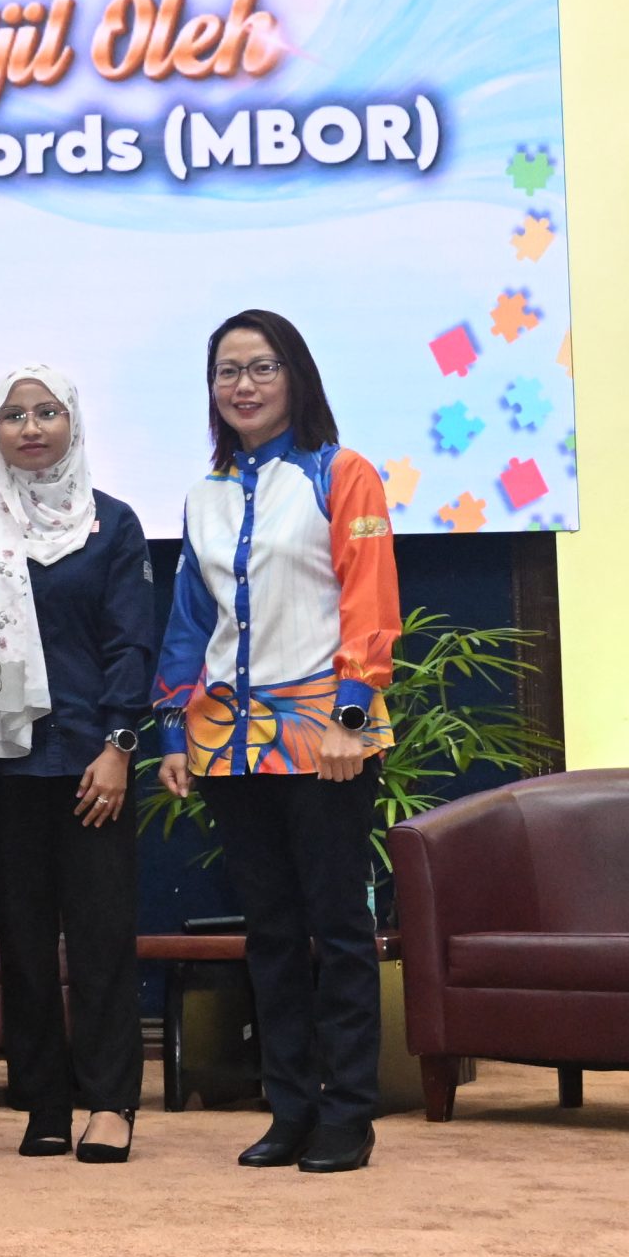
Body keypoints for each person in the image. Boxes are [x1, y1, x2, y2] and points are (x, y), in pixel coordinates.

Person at [156, 309, 398, 1176]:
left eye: (261, 367)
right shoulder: (204, 494)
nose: (244, 385)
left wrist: (353, 716)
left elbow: (371, 601)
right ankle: (288, 1107)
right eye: (227, 371)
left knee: (337, 929)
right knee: (269, 932)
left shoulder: (343, 473)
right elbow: (190, 622)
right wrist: (174, 729)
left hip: (326, 733)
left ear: (295, 376)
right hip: (227, 739)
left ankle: (348, 1113)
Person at [0, 367, 154, 1165]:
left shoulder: (111, 524)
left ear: (73, 422)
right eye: (14, 414)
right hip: (0, 766)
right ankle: (44, 1099)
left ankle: (110, 1102)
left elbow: (132, 644)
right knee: (23, 943)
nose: (32, 426)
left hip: (90, 766)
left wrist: (118, 746)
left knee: (103, 939)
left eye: (47, 412)